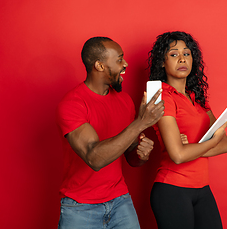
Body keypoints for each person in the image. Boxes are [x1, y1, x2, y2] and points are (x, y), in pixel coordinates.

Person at [56, 36, 165, 229]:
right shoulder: (72, 104)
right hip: (80, 207)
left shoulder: (124, 101)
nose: (125, 64)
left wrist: (141, 154)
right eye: (119, 59)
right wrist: (140, 124)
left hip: (120, 201)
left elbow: (131, 156)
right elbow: (94, 158)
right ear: (99, 65)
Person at [148, 31, 227, 229]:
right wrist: (210, 141)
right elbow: (177, 156)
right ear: (162, 62)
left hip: (203, 190)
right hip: (172, 190)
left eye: (187, 53)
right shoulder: (162, 97)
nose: (182, 58)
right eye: (174, 54)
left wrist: (190, 149)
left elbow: (225, 145)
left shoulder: (198, 99)